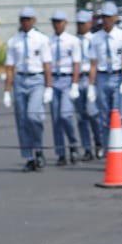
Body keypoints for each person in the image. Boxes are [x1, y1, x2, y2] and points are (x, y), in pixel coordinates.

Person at [3, 6, 55, 172]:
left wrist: (49, 86)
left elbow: (47, 64)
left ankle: (38, 148)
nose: (25, 22)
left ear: (34, 21)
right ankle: (29, 157)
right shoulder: (14, 41)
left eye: (28, 19)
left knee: (33, 116)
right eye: (22, 20)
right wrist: (6, 91)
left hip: (36, 79)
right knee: (22, 121)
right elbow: (10, 67)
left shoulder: (41, 39)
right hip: (20, 79)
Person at [85, 2, 122, 154]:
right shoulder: (95, 38)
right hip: (103, 77)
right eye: (104, 17)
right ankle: (108, 148)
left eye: (109, 17)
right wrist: (91, 85)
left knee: (120, 115)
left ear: (115, 17)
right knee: (104, 117)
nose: (106, 20)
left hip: (117, 76)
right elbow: (93, 63)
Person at [46, 10, 83, 166]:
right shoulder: (48, 41)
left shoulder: (72, 41)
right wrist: (47, 85)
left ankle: (73, 144)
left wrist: (75, 84)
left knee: (65, 115)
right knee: (56, 119)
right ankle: (61, 152)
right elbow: (46, 64)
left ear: (65, 23)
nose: (57, 24)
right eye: (54, 21)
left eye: (60, 21)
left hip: (67, 80)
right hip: (54, 79)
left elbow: (76, 63)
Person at [72, 12, 101, 162]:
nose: (81, 26)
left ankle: (99, 141)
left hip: (92, 79)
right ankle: (87, 148)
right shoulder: (74, 41)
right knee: (81, 117)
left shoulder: (95, 39)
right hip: (79, 78)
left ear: (90, 23)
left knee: (93, 113)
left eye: (83, 23)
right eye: (78, 24)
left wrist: (92, 83)